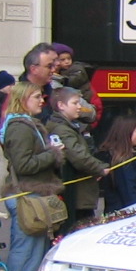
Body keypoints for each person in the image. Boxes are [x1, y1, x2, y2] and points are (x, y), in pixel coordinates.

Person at [0, 81, 64, 271]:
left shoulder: (27, 124)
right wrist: (53, 153)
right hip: (26, 195)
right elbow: (24, 165)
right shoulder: (20, 128)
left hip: (32, 194)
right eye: (36, 97)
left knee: (34, 250)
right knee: (26, 251)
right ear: (22, 100)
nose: (42, 100)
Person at [50, 87, 110, 232]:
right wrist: (100, 168)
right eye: (75, 103)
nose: (79, 107)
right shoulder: (62, 129)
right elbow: (79, 156)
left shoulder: (69, 126)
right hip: (76, 196)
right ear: (61, 105)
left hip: (79, 194)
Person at [97, 115, 136, 211]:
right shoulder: (123, 159)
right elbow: (129, 191)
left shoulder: (128, 155)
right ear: (126, 133)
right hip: (128, 211)